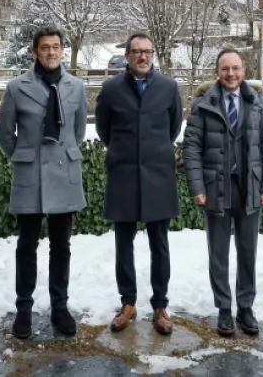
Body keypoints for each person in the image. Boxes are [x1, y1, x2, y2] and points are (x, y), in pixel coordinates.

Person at [184, 48, 263, 337]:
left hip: (249, 186)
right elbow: (191, 147)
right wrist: (197, 186)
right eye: (225, 69)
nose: (231, 74)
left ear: (243, 71)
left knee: (248, 252)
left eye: (236, 68)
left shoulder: (258, 104)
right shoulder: (203, 104)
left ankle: (246, 307)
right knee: (218, 253)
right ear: (217, 72)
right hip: (216, 187)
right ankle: (224, 308)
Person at [0, 26, 87, 340]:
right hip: (31, 175)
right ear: (34, 52)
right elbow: (5, 134)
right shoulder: (16, 87)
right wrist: (25, 157)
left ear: (62, 50)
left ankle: (59, 306)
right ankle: (24, 308)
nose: (51, 52)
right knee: (27, 246)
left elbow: (77, 132)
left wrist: (62, 153)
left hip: (64, 174)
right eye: (45, 47)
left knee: (62, 246)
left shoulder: (76, 87)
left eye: (56, 46)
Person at [96, 33, 183, 336]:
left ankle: (160, 306)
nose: (143, 56)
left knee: (160, 244)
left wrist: (153, 152)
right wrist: (125, 152)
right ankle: (128, 303)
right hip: (124, 174)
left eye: (147, 51)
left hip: (158, 175)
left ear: (153, 54)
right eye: (137, 51)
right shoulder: (110, 89)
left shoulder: (169, 87)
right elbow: (104, 129)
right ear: (128, 55)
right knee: (123, 244)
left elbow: (173, 128)